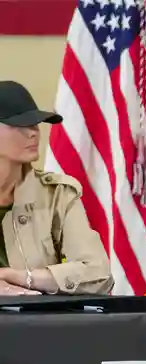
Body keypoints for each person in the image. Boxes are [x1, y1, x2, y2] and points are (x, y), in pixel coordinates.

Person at [0, 81, 113, 296]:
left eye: (35, 124)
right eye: (21, 125)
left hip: (37, 316)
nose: (34, 133)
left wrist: (20, 277)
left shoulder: (57, 195)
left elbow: (98, 274)